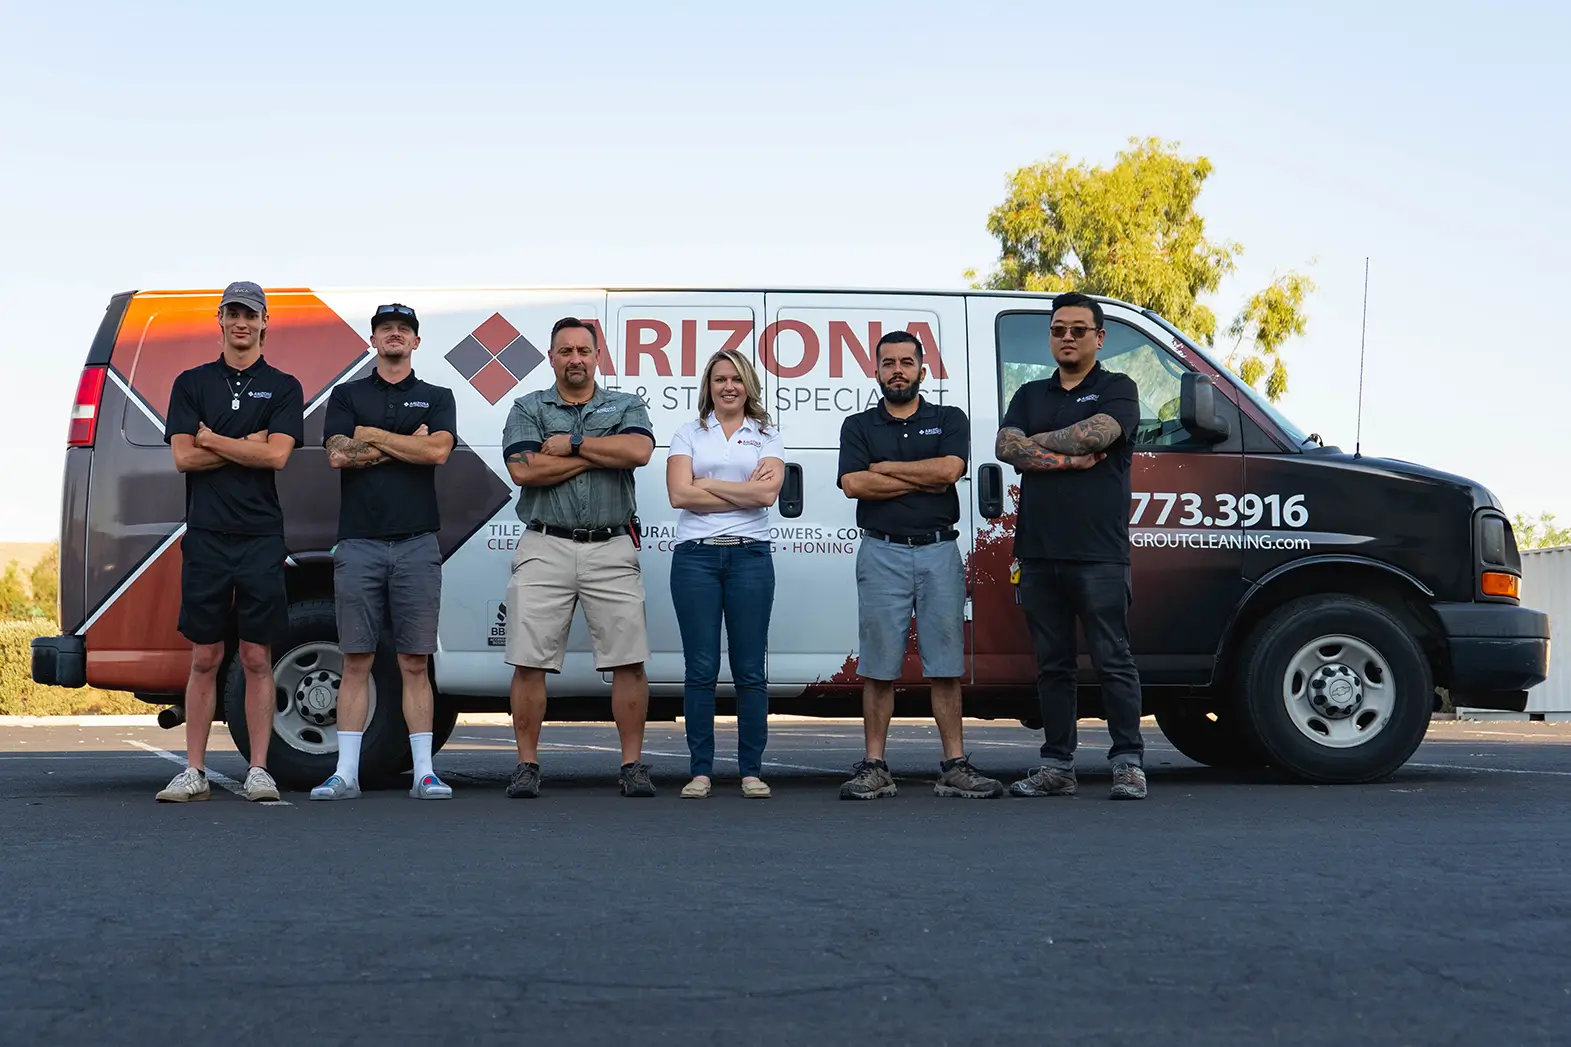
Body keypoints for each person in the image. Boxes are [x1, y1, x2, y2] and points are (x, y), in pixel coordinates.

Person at [835, 331, 1004, 801]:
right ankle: (874, 766)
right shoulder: (858, 425)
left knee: (946, 666)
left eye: (906, 362)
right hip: (881, 551)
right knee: (878, 666)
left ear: (922, 370)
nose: (897, 371)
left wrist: (883, 468)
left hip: (938, 552)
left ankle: (954, 765)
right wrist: (918, 476)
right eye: (888, 363)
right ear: (876, 371)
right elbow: (852, 483)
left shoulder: (949, 418)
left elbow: (949, 472)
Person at [994, 291, 1148, 800]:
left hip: (1100, 552)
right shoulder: (1029, 393)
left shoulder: (1118, 387)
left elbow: (1102, 432)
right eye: (1059, 329)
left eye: (1078, 329)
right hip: (1037, 552)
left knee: (1113, 659)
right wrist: (1066, 456)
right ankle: (1057, 765)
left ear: (1099, 338)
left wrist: (1038, 446)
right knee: (1053, 664)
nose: (1067, 337)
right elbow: (1004, 446)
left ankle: (1127, 762)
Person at [156, 281, 304, 802]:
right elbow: (183, 458)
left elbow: (278, 457)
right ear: (219, 320)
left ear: (266, 323)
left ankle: (259, 770)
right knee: (204, 657)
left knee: (257, 656)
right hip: (207, 536)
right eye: (233, 313)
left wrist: (212, 438)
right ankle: (193, 771)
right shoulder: (191, 383)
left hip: (261, 536)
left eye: (251, 314)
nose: (242, 322)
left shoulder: (284, 386)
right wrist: (245, 444)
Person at [500, 316, 658, 798]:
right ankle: (527, 765)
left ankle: (632, 765)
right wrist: (600, 455)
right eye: (565, 351)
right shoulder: (528, 407)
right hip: (545, 544)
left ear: (596, 357)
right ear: (552, 357)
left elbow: (639, 451)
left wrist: (573, 444)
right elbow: (523, 470)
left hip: (610, 545)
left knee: (628, 661)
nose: (574, 359)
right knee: (529, 661)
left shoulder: (627, 404)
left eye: (583, 351)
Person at [309, 303, 458, 801]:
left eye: (404, 330)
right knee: (356, 660)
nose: (395, 335)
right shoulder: (347, 396)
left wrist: (370, 438)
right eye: (385, 329)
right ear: (374, 340)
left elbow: (437, 452)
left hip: (418, 544)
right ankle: (345, 774)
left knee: (415, 662)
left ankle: (424, 774)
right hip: (359, 545)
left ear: (416, 342)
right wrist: (400, 443)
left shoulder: (438, 396)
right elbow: (336, 456)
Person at [665, 349, 784, 799]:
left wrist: (708, 483)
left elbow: (767, 495)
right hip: (696, 557)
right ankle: (700, 771)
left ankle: (751, 771)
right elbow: (679, 494)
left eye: (736, 378)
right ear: (708, 386)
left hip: (750, 557)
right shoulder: (688, 432)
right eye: (719, 379)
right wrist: (742, 491)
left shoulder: (767, 435)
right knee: (700, 669)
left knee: (750, 670)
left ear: (747, 384)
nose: (728, 386)